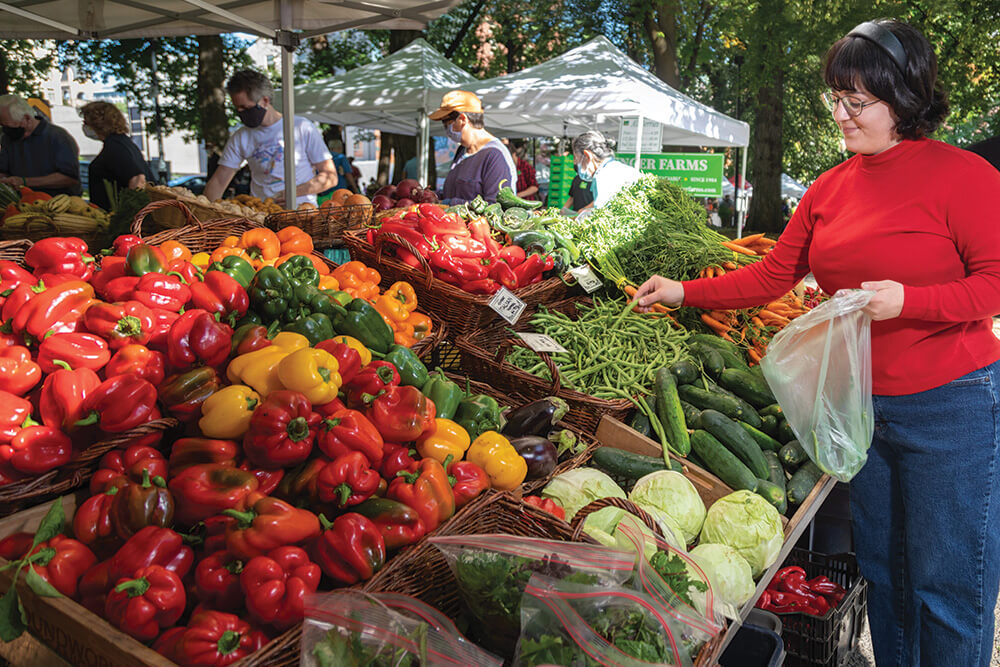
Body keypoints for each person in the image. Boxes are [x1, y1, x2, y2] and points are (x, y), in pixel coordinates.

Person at [634, 19, 1000, 667]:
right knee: (886, 573)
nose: (840, 113)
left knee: (948, 583)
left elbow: (992, 287)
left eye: (856, 102)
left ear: (905, 99)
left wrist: (906, 302)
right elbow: (773, 275)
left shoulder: (964, 176)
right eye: (835, 97)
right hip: (860, 406)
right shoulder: (831, 188)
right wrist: (682, 291)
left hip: (953, 404)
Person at [203, 69, 337, 207]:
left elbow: (330, 176)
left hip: (302, 213)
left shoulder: (301, 127)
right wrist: (201, 212)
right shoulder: (240, 137)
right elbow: (219, 181)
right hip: (262, 215)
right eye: (238, 109)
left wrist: (294, 192)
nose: (241, 113)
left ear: (265, 101)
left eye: (245, 108)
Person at [429, 90, 516, 204]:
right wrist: (430, 195)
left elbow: (496, 206)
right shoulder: (462, 151)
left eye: (447, 123)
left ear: (462, 119)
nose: (446, 129)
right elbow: (452, 191)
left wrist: (450, 203)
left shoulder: (494, 155)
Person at [0, 93, 81, 196]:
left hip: (58, 204)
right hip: (23, 203)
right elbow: (3, 170)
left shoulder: (58, 137)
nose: (6, 130)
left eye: (8, 126)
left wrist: (25, 182)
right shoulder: (7, 138)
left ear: (27, 118)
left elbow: (70, 178)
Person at [80, 101, 154, 211]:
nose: (84, 126)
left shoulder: (115, 147)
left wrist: (125, 216)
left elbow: (138, 180)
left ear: (98, 123)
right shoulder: (122, 142)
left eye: (86, 122)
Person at [571, 130, 640, 209]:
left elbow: (600, 212)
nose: (575, 162)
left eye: (576, 158)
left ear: (587, 156)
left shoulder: (603, 177)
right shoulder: (614, 168)